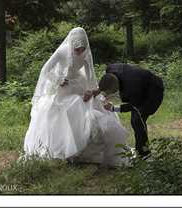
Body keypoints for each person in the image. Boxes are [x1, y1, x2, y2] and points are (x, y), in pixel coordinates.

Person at [23, 28, 129, 167]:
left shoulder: (86, 54)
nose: (80, 52)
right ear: (72, 45)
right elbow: (45, 70)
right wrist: (59, 80)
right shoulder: (62, 52)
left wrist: (91, 92)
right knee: (66, 109)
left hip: (78, 84)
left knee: (89, 108)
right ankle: (61, 148)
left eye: (82, 49)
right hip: (61, 88)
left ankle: (86, 150)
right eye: (77, 49)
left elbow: (90, 75)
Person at [85, 63, 164, 157]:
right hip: (140, 85)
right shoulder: (111, 69)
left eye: (110, 92)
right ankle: (141, 150)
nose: (108, 95)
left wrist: (113, 108)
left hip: (153, 91)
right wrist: (97, 91)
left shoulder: (131, 88)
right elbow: (106, 81)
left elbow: (133, 105)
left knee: (137, 119)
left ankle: (144, 154)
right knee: (136, 119)